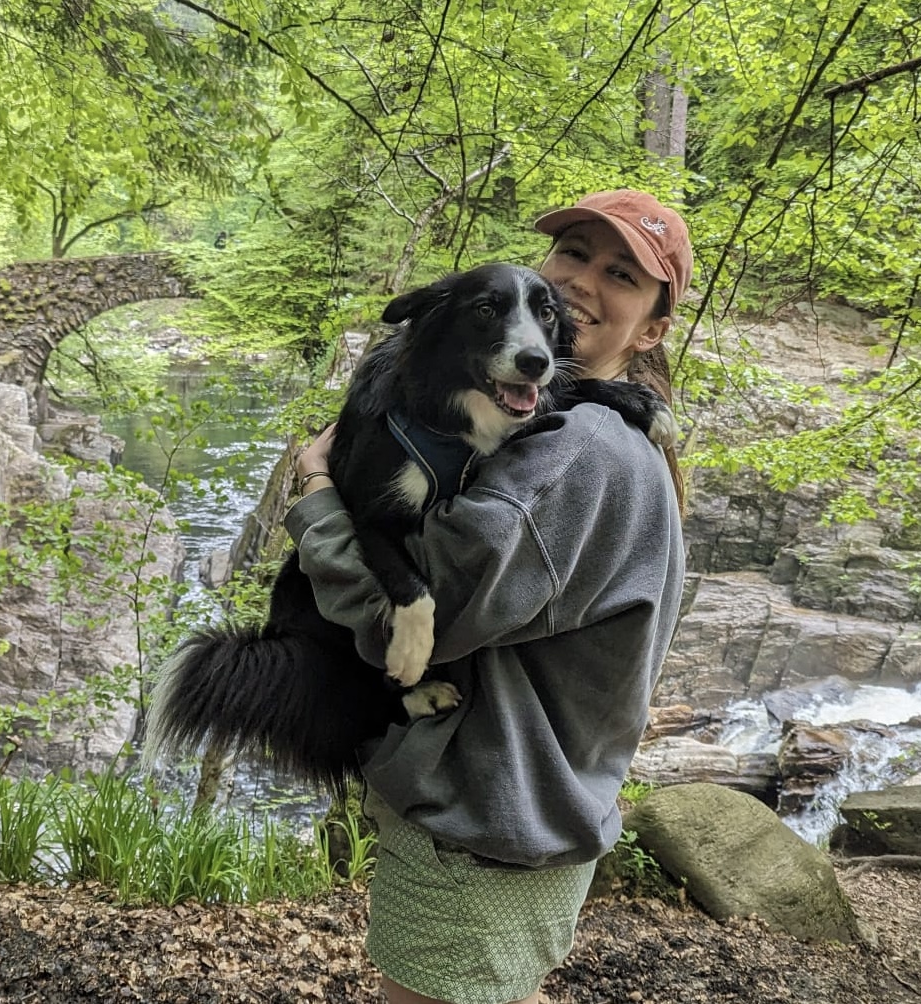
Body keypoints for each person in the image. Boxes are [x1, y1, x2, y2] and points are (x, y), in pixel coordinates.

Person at [284, 189, 693, 1004]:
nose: (583, 280)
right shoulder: (579, 425)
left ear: (650, 329)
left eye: (620, 274)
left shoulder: (571, 455)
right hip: (539, 806)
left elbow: (401, 627)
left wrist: (318, 494)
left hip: (485, 823)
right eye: (572, 254)